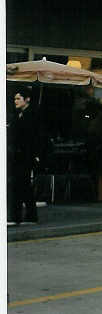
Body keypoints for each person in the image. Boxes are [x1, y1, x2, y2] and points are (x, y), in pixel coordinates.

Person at [8, 89, 40, 224]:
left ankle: (16, 217)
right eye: (15, 99)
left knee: (18, 185)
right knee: (24, 186)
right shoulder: (18, 115)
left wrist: (36, 155)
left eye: (18, 99)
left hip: (26, 157)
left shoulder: (31, 116)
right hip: (18, 156)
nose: (15, 101)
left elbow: (35, 138)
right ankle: (30, 216)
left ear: (27, 100)